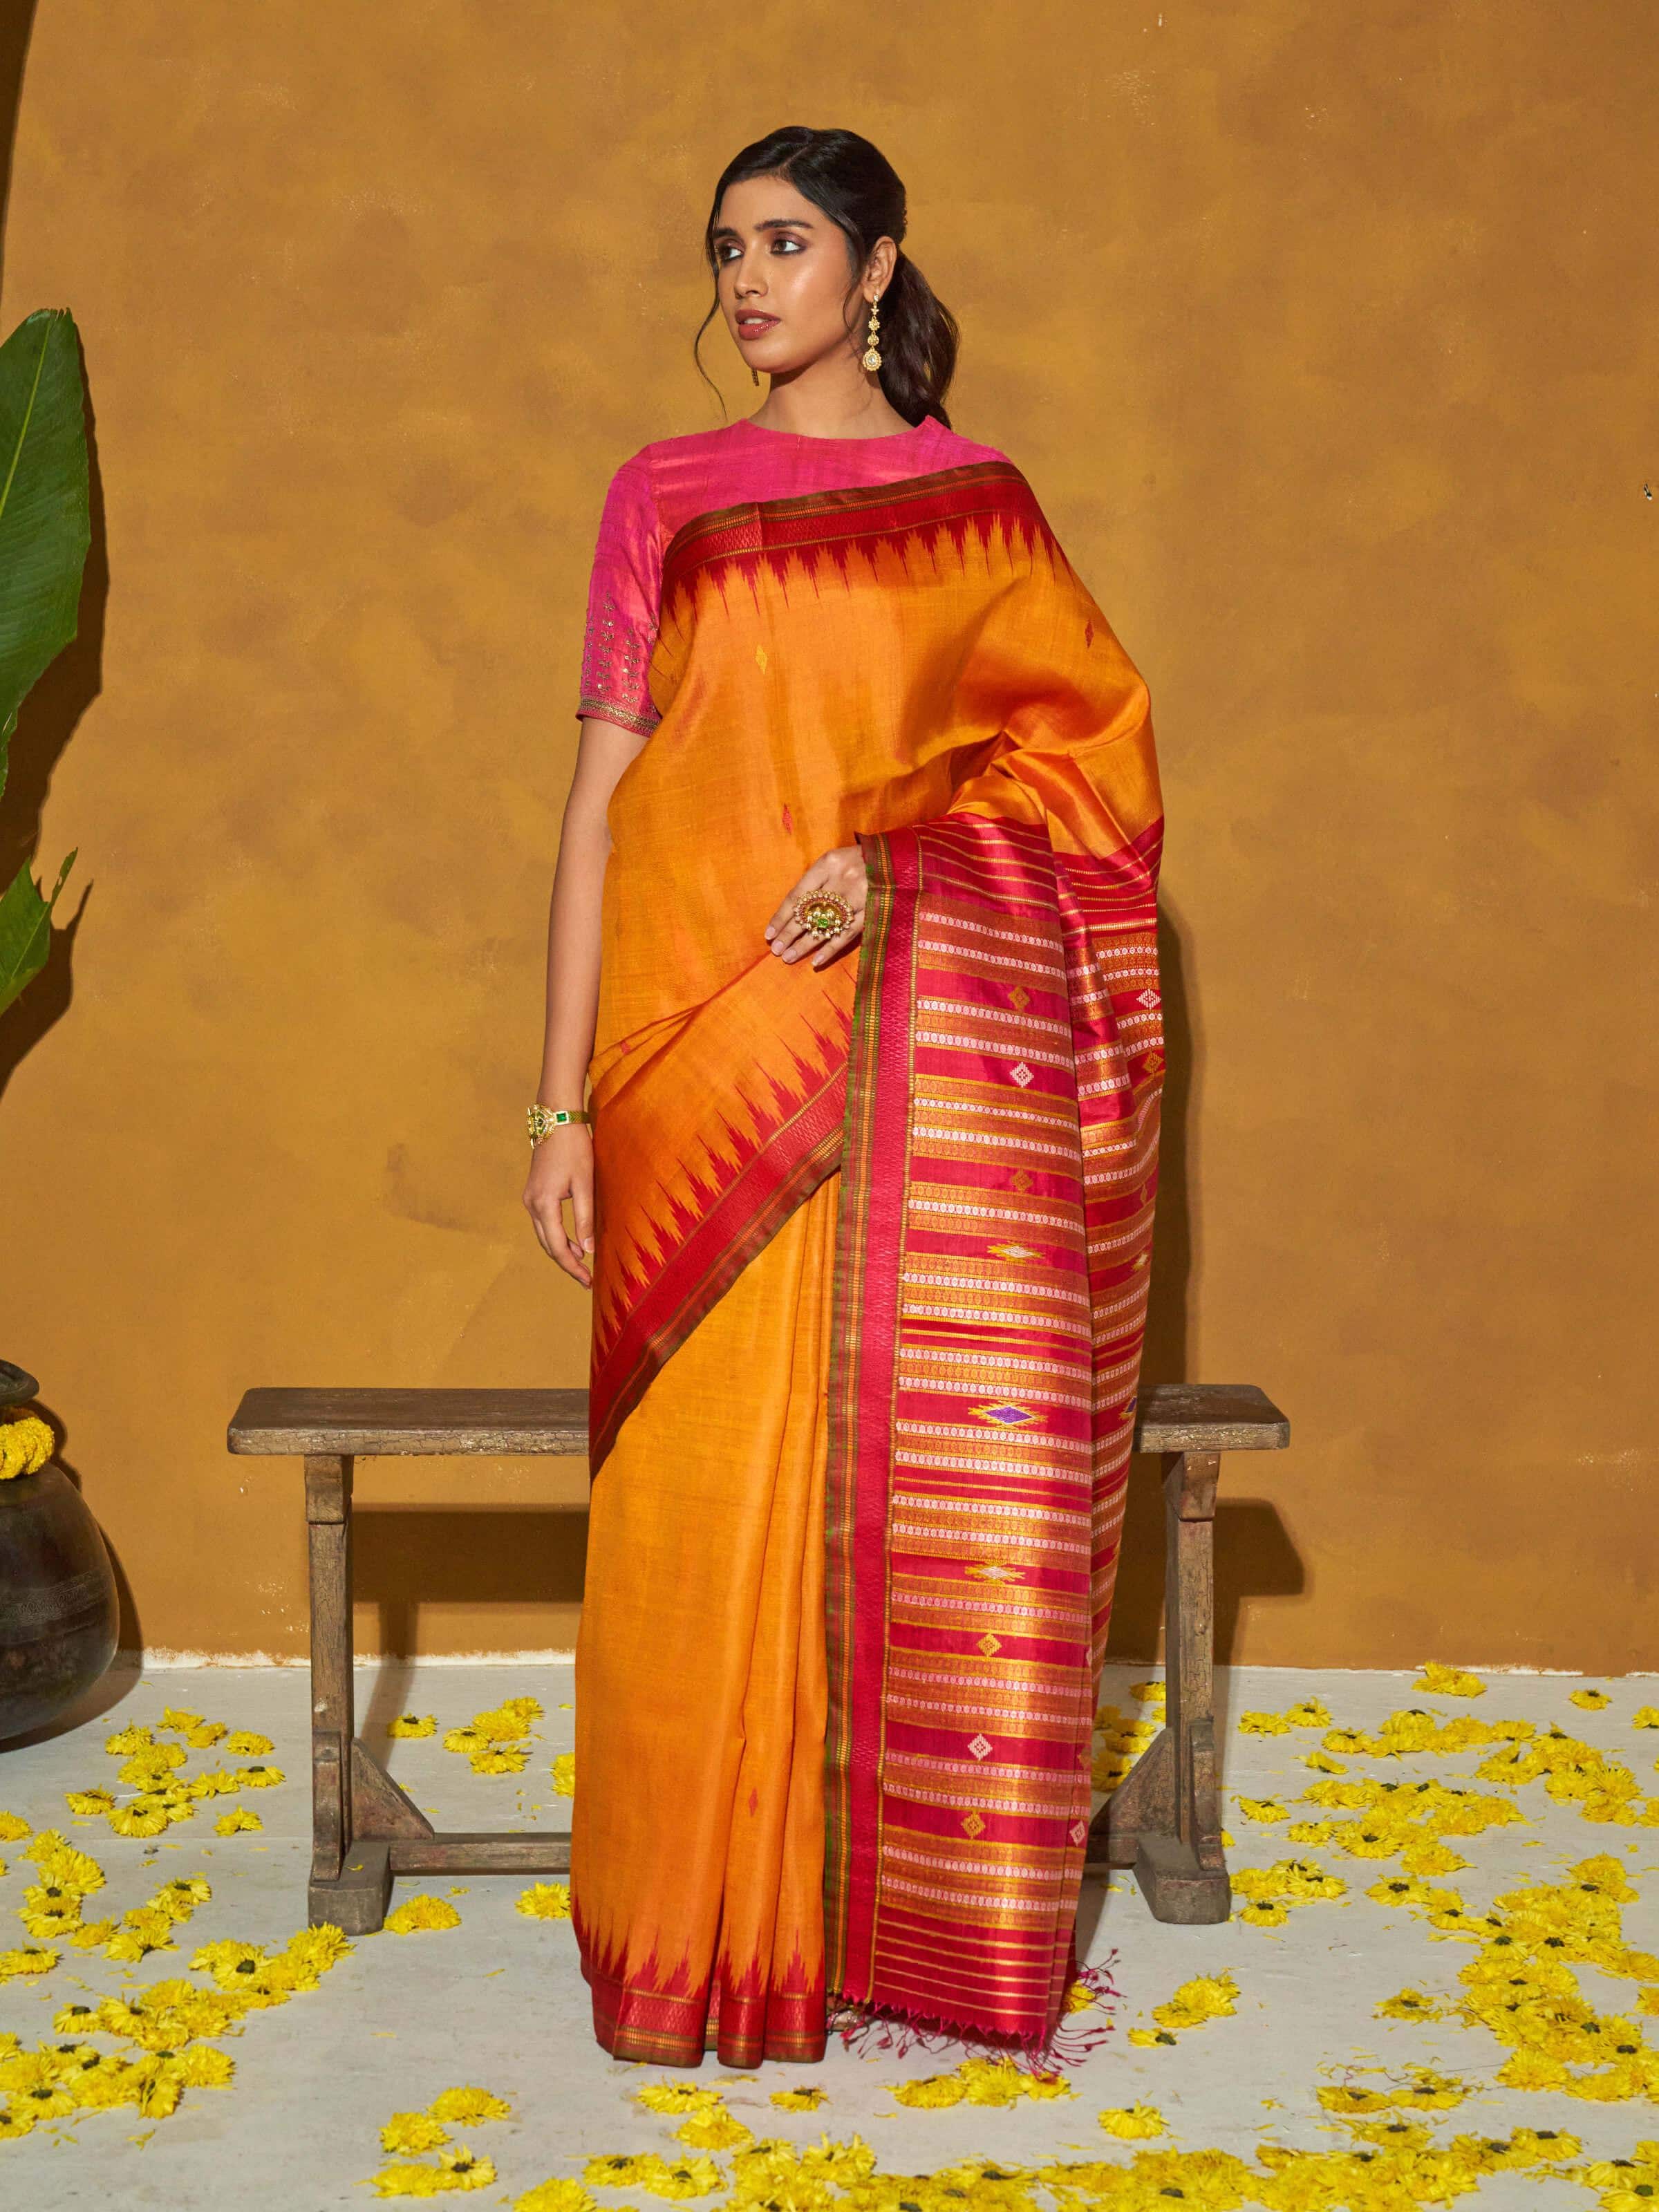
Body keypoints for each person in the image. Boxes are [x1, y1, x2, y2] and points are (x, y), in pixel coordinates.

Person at [523, 124, 1164, 2070]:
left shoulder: (979, 508)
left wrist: (901, 872)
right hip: (685, 1065)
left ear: (877, 267)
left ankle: (854, 1932)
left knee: (871, 1491)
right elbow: (597, 810)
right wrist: (558, 1109)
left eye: (787, 243)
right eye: (726, 248)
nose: (747, 280)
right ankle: (684, 1939)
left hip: (884, 1060)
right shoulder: (665, 493)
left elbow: (1091, 786)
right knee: (687, 1511)